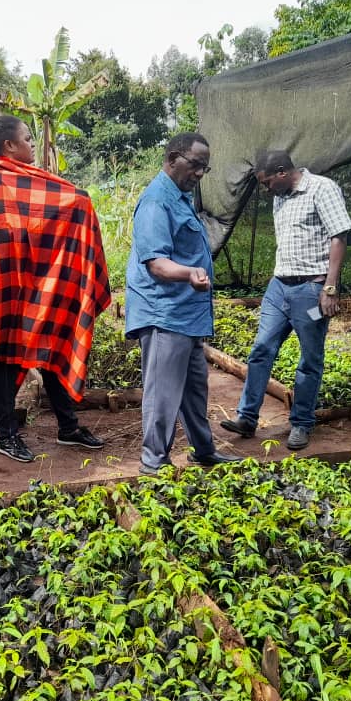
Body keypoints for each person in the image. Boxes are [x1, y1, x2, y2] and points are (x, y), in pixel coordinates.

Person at [0, 109, 110, 463]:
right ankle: (6, 435)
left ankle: (68, 428)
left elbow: (55, 207)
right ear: (9, 145)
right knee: (5, 355)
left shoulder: (29, 178)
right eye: (28, 139)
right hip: (6, 283)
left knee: (52, 342)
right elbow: (8, 229)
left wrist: (80, 202)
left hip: (38, 278)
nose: (32, 144)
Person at [125, 132, 241, 474]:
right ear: (173, 158)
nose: (200, 173)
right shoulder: (156, 201)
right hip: (164, 312)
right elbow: (156, 263)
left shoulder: (179, 197)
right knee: (163, 392)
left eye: (205, 167)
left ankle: (203, 450)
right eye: (195, 165)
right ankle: (153, 461)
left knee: (194, 388)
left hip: (186, 314)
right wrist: (190, 273)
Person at [221, 149, 351, 450]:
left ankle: (302, 423)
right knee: (261, 349)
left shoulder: (322, 189)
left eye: (267, 182)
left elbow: (339, 237)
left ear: (282, 172)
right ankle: (246, 418)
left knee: (309, 359)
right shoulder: (280, 196)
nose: (266, 190)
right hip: (279, 286)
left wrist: (330, 288)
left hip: (311, 290)